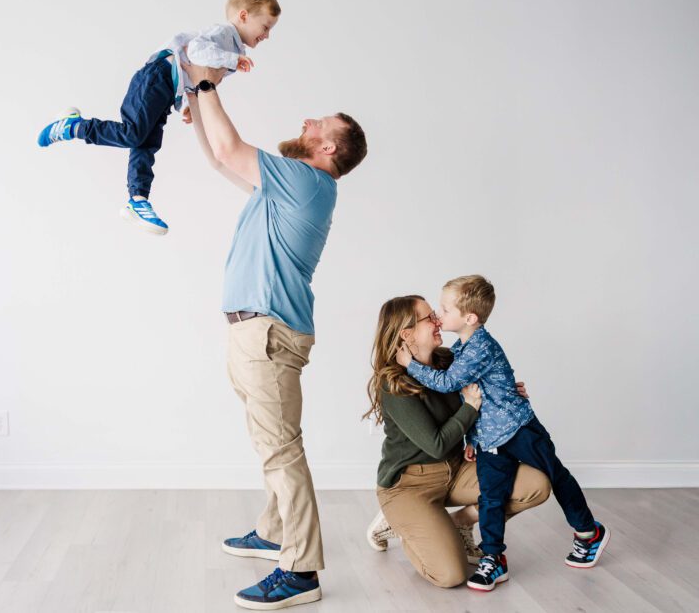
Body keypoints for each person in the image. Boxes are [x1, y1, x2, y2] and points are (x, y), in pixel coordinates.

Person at [182, 57, 366, 610]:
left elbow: (235, 149)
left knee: (280, 448)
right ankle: (271, 531)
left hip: (267, 333)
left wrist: (206, 82)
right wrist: (195, 101)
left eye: (318, 125)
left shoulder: (307, 182)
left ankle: (302, 568)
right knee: (272, 439)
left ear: (329, 149)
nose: (307, 122)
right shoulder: (288, 188)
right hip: (254, 331)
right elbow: (222, 159)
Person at [396, 275, 610, 591]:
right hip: (489, 443)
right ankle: (494, 558)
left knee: (556, 475)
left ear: (469, 318)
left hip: (520, 430)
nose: (439, 315)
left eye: (444, 308)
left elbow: (448, 384)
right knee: (491, 498)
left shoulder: (480, 347)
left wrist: (409, 364)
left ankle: (588, 531)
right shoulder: (461, 347)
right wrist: (473, 439)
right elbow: (470, 397)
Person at [35, 0, 281, 235]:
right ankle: (73, 126)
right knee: (133, 134)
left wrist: (187, 103)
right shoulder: (224, 34)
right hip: (156, 77)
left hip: (167, 89)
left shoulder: (233, 46)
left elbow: (193, 69)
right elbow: (196, 51)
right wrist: (231, 60)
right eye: (265, 27)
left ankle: (138, 200)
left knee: (146, 144)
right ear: (243, 16)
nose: (266, 35)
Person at [364, 295, 552, 588]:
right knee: (451, 575)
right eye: (429, 317)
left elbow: (479, 387)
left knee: (536, 486)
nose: (438, 320)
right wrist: (471, 406)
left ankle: (460, 523)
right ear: (406, 333)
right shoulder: (394, 382)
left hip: (456, 469)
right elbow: (437, 444)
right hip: (409, 486)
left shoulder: (447, 360)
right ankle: (400, 523)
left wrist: (502, 393)